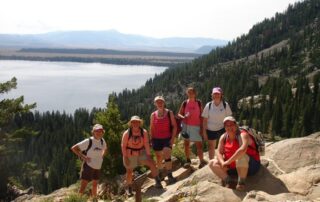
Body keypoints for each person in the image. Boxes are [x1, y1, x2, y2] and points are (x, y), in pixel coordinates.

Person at [208, 116, 261, 191]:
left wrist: (227, 162)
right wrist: (223, 163)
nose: (229, 127)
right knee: (212, 163)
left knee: (241, 157)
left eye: (231, 124)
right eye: (227, 125)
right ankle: (229, 181)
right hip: (233, 167)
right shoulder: (223, 137)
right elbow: (219, 152)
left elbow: (242, 150)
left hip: (250, 167)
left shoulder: (243, 134)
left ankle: (241, 183)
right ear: (225, 127)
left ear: (236, 125)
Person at [121, 115, 163, 196]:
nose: (135, 123)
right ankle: (129, 188)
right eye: (133, 122)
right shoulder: (127, 133)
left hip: (141, 153)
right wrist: (125, 157)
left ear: (139, 123)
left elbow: (146, 144)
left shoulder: (144, 132)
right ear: (131, 123)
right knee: (129, 171)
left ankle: (157, 181)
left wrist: (148, 155)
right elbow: (123, 146)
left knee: (152, 163)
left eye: (137, 122)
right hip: (130, 154)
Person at [71, 124, 107, 198]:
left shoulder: (102, 140)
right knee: (83, 186)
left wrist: (102, 156)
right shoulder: (88, 141)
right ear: (93, 132)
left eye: (101, 131)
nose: (99, 133)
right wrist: (83, 157)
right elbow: (74, 148)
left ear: (103, 132)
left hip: (98, 166)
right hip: (88, 166)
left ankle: (94, 199)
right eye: (97, 131)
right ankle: (77, 200)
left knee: (95, 185)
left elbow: (105, 149)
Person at [150, 95, 177, 184]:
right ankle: (161, 173)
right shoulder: (153, 115)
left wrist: (173, 138)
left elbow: (174, 126)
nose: (160, 103)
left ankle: (169, 175)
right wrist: (151, 140)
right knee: (158, 158)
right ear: (155, 104)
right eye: (158, 102)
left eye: (161, 102)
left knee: (166, 154)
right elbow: (152, 128)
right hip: (156, 139)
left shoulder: (169, 113)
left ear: (164, 103)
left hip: (167, 138)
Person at [177, 87, 206, 168]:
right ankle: (188, 160)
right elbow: (179, 114)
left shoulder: (199, 103)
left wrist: (202, 127)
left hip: (196, 126)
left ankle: (201, 161)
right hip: (186, 126)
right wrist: (183, 117)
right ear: (187, 93)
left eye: (192, 92)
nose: (190, 94)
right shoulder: (185, 103)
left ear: (195, 93)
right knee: (186, 144)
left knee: (199, 145)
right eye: (189, 92)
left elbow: (202, 116)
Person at [202, 87, 232, 160]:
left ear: (221, 95)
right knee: (211, 146)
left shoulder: (225, 105)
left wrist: (230, 129)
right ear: (212, 95)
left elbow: (229, 118)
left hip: (222, 128)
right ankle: (211, 161)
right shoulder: (208, 105)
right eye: (214, 94)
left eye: (218, 94)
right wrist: (204, 133)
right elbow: (205, 120)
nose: (216, 95)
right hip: (210, 129)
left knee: (225, 145)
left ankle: (225, 160)